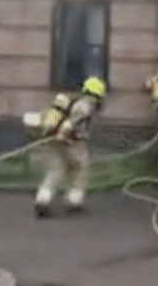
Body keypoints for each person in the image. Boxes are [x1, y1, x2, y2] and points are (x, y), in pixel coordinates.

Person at [33, 76, 105, 218]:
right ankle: (74, 201)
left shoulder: (73, 101)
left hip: (57, 144)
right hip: (74, 144)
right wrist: (63, 133)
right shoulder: (85, 106)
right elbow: (71, 123)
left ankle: (43, 199)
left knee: (54, 172)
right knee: (79, 171)